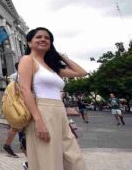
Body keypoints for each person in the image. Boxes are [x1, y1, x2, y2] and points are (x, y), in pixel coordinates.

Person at [19, 27, 88, 170]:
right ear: (29, 43)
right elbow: (24, 89)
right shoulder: (27, 60)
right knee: (48, 160)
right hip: (42, 111)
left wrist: (60, 55)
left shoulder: (52, 68)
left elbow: (81, 72)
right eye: (39, 37)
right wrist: (39, 121)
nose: (43, 39)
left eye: (47, 38)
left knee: (74, 158)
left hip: (60, 112)